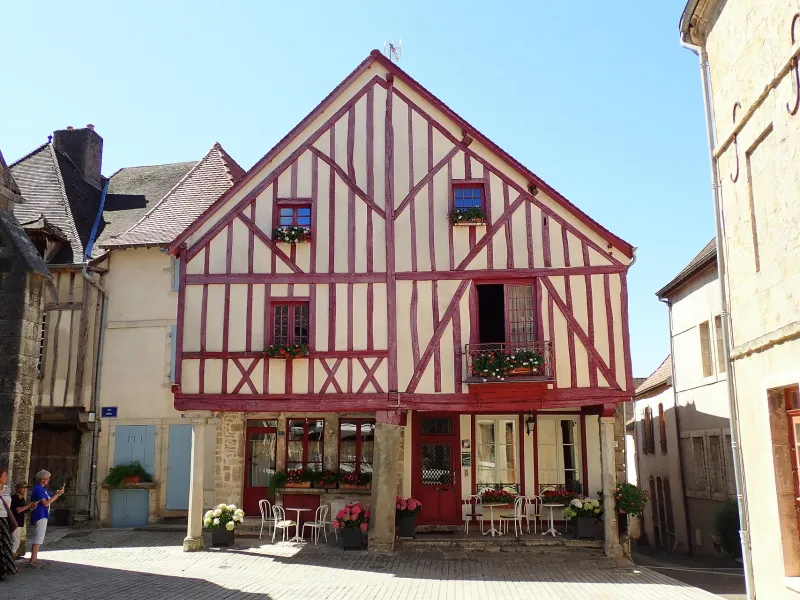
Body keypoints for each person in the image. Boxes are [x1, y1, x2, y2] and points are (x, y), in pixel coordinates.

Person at [28, 470, 64, 568]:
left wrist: (57, 494)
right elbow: (45, 503)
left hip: (43, 514)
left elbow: (48, 499)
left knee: (40, 537)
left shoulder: (44, 489)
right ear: (42, 479)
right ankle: (33, 560)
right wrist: (56, 496)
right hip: (40, 514)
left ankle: (34, 558)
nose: (49, 480)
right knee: (38, 537)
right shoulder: (39, 489)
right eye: (47, 478)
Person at [10, 483, 36, 558]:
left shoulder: (22, 499)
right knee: (14, 542)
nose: (25, 489)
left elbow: (24, 511)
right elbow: (18, 510)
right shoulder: (14, 498)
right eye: (23, 488)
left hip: (20, 523)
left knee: (17, 542)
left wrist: (31, 508)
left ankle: (12, 558)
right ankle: (10, 560)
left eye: (26, 488)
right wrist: (29, 505)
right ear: (18, 488)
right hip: (15, 523)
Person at [0, 466, 17, 580]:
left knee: (5, 544)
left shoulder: (5, 488)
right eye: (4, 475)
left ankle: (4, 570)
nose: (6, 477)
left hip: (4, 519)